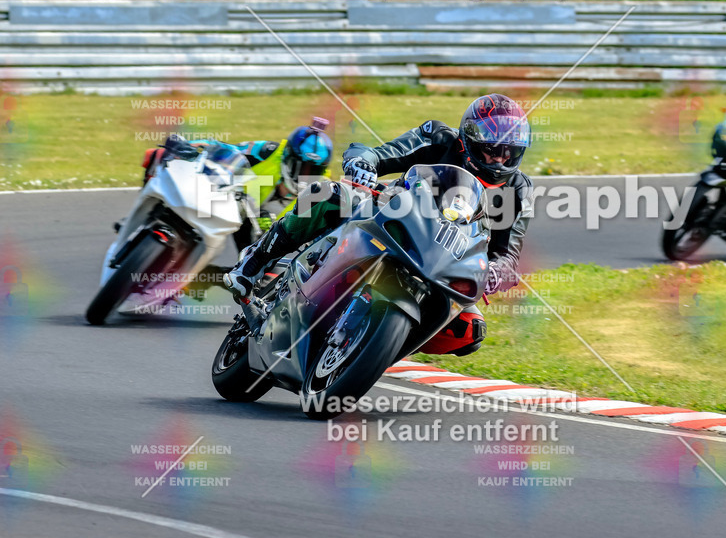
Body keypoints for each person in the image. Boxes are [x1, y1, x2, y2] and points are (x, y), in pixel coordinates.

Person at [224, 94, 534, 356]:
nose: (499, 161)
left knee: (469, 331)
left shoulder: (518, 190)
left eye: (509, 153)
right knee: (327, 194)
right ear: (469, 140)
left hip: (444, 261)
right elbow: (381, 153)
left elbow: (508, 253)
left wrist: (497, 272)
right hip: (393, 218)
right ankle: (255, 261)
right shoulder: (440, 138)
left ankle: (373, 351)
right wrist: (364, 163)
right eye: (492, 151)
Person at [141, 117, 334, 250]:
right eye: (300, 167)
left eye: (313, 171)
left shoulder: (320, 192)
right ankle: (146, 217)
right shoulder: (269, 151)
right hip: (231, 200)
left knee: (264, 275)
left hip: (262, 234)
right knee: (157, 154)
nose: (304, 176)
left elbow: (324, 231)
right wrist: (190, 147)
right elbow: (225, 148)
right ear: (288, 157)